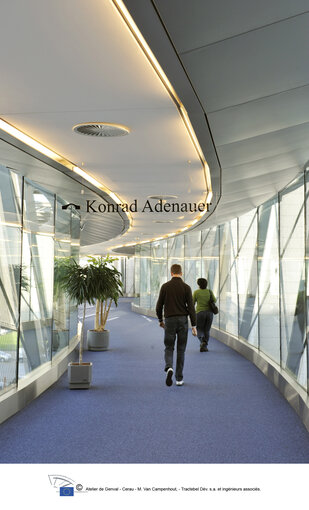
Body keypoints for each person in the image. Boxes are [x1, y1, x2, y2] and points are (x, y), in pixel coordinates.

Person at [156, 264, 197, 387]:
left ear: (171, 273)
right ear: (181, 273)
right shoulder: (186, 287)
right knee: (181, 349)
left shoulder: (165, 287)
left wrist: (160, 320)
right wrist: (194, 326)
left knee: (169, 347)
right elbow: (191, 308)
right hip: (182, 321)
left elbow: (159, 306)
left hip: (169, 320)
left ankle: (169, 367)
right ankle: (179, 378)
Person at [193, 278, 217, 352]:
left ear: (198, 284)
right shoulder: (209, 291)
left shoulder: (196, 292)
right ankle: (205, 346)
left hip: (200, 313)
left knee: (199, 329)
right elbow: (215, 300)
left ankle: (202, 340)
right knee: (207, 330)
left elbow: (192, 302)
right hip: (209, 313)